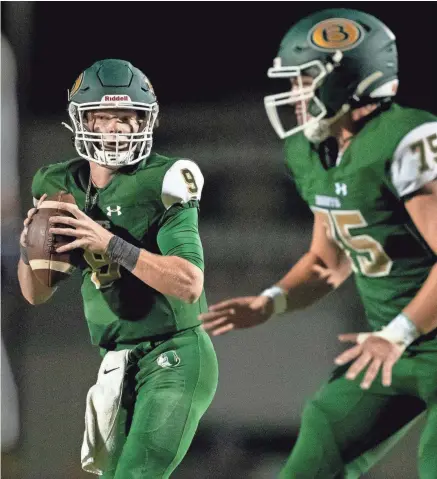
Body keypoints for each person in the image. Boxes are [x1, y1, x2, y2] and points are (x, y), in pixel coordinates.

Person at [200, 8, 437, 479]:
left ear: (349, 79)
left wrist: (400, 333)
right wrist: (271, 302)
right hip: (394, 343)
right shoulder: (314, 149)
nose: (294, 94)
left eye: (305, 79)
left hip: (403, 336)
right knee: (327, 425)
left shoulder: (408, 139)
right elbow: (327, 262)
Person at [18, 58, 218, 479]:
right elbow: (35, 294)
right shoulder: (58, 185)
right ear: (79, 121)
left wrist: (109, 242)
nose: (114, 128)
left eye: (127, 118)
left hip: (174, 353)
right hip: (117, 359)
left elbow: (189, 282)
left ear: (147, 120)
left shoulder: (165, 179)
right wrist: (29, 251)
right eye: (103, 117)